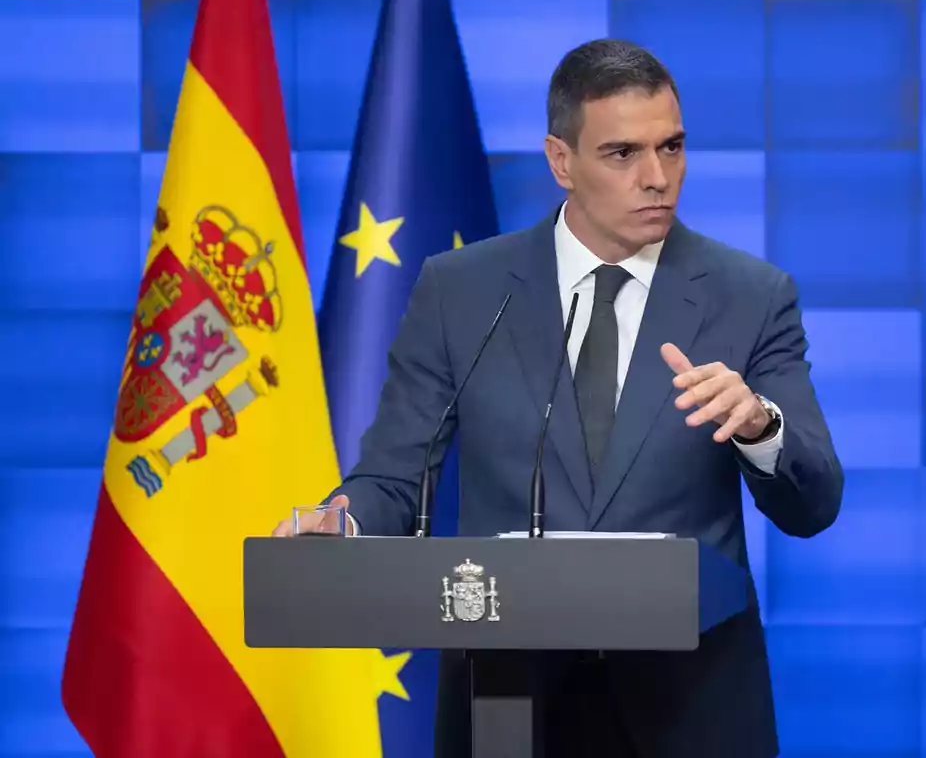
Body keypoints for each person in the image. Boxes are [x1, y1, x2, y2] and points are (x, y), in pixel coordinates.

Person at [274, 38, 843, 758]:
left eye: (672, 148)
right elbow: (394, 473)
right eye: (622, 153)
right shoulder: (461, 291)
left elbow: (815, 503)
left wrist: (761, 428)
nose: (656, 177)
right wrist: (341, 527)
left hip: (693, 711)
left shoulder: (751, 296)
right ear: (560, 160)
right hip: (509, 707)